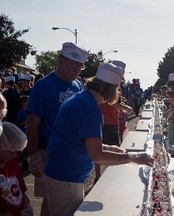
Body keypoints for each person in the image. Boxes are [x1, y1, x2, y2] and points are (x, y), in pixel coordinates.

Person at [43, 62, 153, 216]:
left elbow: (80, 140)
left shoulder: (83, 98)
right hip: (66, 175)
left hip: (63, 172)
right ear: (109, 89)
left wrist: (107, 147)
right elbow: (96, 155)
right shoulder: (89, 107)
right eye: (117, 89)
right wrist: (134, 158)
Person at [26, 42, 89, 216]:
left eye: (80, 65)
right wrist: (33, 155)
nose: (76, 68)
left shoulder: (78, 86)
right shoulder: (43, 85)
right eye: (72, 63)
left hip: (72, 154)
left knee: (72, 198)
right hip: (49, 151)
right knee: (50, 198)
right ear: (61, 60)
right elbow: (32, 122)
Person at [0, 93, 33, 216]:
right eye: (12, 151)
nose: (15, 156)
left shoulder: (13, 166)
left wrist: (27, 206)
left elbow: (22, 193)